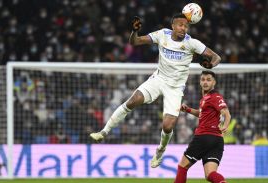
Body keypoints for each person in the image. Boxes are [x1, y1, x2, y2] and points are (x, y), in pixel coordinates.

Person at [90, 14, 221, 168]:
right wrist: (134, 31)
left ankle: (160, 150)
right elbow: (135, 41)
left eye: (186, 26)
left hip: (176, 87)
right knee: (132, 101)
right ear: (173, 25)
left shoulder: (192, 43)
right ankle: (104, 132)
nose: (183, 28)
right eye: (180, 25)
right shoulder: (162, 34)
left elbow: (216, 57)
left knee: (167, 126)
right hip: (158, 79)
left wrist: (210, 65)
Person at [174, 71, 232, 183]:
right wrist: (189, 110)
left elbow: (226, 113)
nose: (205, 82)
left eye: (208, 79)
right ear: (200, 82)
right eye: (203, 79)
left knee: (182, 166)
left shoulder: (214, 96)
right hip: (217, 141)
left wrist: (226, 125)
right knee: (210, 174)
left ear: (214, 82)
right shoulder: (204, 99)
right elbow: (202, 114)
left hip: (204, 137)